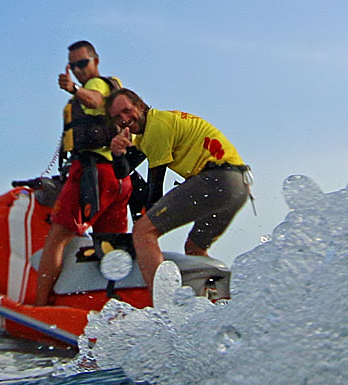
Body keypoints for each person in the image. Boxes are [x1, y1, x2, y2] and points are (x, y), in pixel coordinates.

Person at [106, 88, 251, 292]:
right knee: (194, 249)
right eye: (117, 117)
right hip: (239, 185)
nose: (125, 119)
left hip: (217, 179)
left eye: (127, 111)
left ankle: (162, 308)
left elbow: (154, 193)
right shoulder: (147, 134)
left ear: (139, 105)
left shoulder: (157, 127)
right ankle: (219, 299)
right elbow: (122, 172)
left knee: (143, 232)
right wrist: (118, 153)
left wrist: (139, 233)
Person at [34, 41, 132, 306]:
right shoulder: (110, 88)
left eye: (83, 63)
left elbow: (96, 99)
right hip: (118, 179)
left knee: (57, 238)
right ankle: (113, 306)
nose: (78, 69)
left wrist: (74, 88)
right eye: (74, 65)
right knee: (109, 247)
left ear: (96, 61)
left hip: (93, 175)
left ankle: (39, 306)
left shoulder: (96, 85)